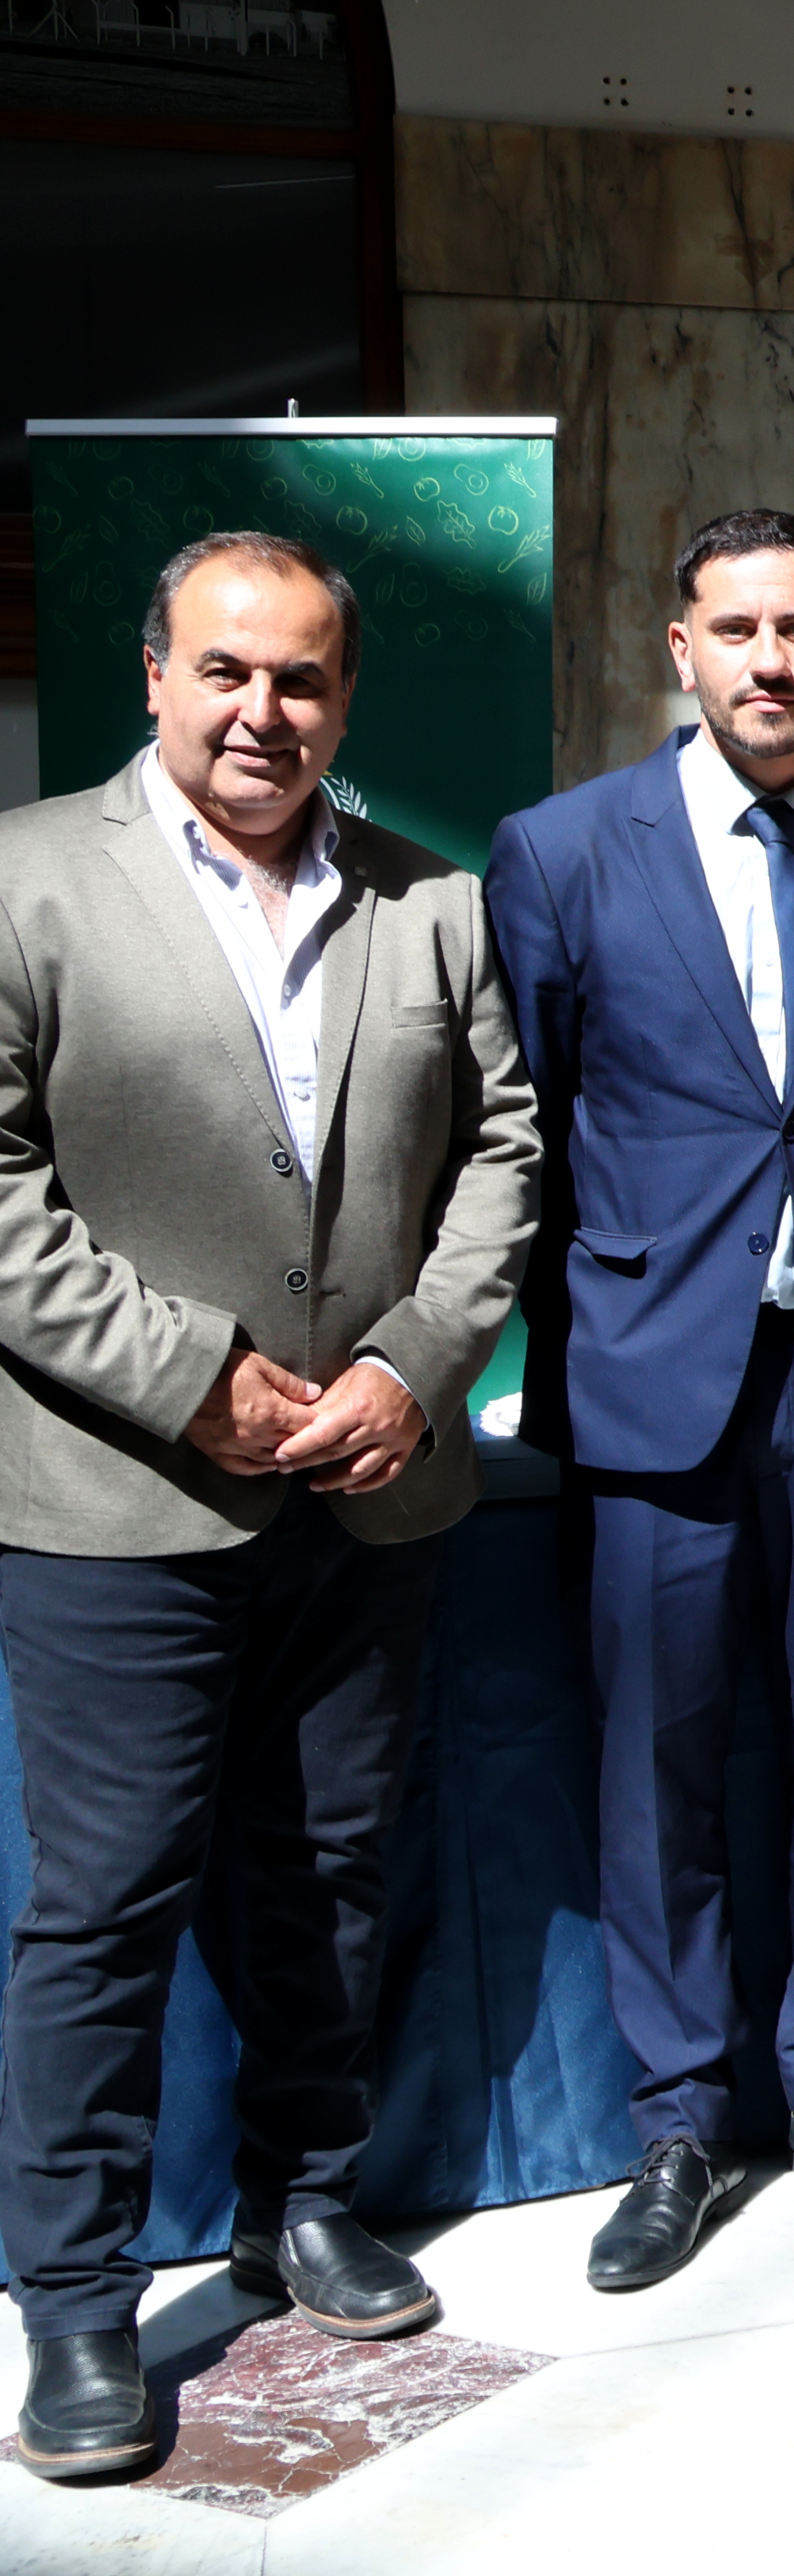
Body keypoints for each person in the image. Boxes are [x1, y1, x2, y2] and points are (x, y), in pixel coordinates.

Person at [0, 534, 538, 2475]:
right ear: (152, 673)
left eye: (303, 680)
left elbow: (504, 1156)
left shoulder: (436, 904)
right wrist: (185, 1374)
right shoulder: (25, 878)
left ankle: (304, 2202)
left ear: (345, 699)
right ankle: (71, 2305)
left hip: (368, 1489)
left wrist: (413, 1362)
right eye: (226, 671)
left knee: (327, 1868)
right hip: (116, 1498)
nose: (264, 712)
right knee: (109, 1906)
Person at [490, 509, 794, 2290]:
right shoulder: (560, 852)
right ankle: (684, 2113)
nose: (770, 660)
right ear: (678, 650)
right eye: (735, 629)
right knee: (663, 1758)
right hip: (654, 1373)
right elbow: (532, 1129)